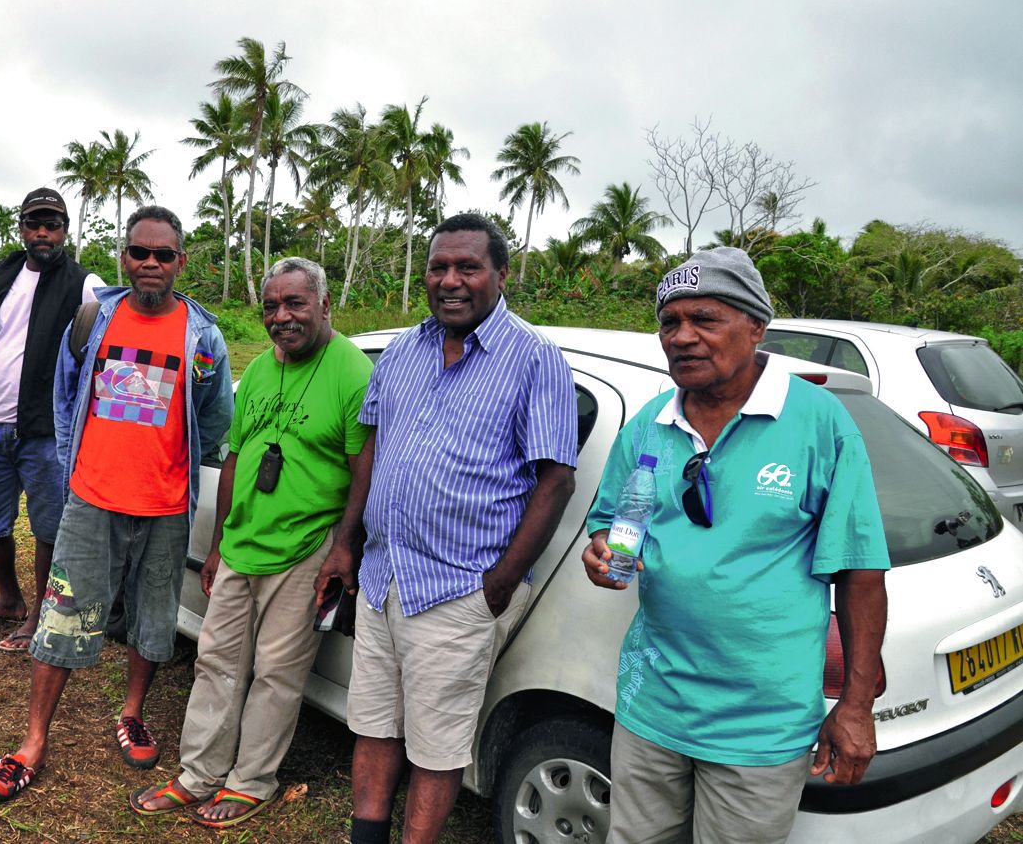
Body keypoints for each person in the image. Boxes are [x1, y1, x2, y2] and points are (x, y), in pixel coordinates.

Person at [581, 247, 889, 844]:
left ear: (756, 326)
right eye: (669, 322)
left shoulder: (819, 423)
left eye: (705, 319)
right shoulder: (650, 422)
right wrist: (601, 549)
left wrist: (856, 706)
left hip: (760, 727)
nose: (682, 337)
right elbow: (611, 520)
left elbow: (860, 573)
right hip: (652, 705)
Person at [315, 212, 580, 844]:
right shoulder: (404, 350)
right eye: (439, 267)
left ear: (501, 274)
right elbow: (372, 449)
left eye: (469, 267)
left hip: (459, 589)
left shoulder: (535, 358)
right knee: (373, 724)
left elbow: (556, 481)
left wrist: (498, 584)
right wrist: (347, 543)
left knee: (437, 746)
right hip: (383, 577)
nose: (451, 280)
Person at [0, 205, 233, 803]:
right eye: (139, 252)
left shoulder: (203, 337)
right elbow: (66, 397)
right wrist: (77, 473)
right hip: (92, 498)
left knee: (152, 617)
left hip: (167, 506)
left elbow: (215, 418)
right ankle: (33, 741)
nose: (150, 263)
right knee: (62, 615)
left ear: (180, 262)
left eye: (163, 254)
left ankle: (132, 713)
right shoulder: (93, 320)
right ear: (124, 257)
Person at [130, 257, 374, 828]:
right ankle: (200, 773)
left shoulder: (354, 372)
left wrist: (344, 547)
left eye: (295, 303)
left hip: (305, 547)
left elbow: (365, 469)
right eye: (271, 306)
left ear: (324, 304)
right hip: (242, 543)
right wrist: (218, 542)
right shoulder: (261, 367)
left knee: (276, 673)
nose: (282, 316)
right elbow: (237, 458)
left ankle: (251, 782)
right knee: (215, 661)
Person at [0, 187, 104, 652]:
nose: (42, 233)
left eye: (51, 225)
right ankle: (9, 598)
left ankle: (39, 612)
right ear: (21, 228)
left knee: (49, 527)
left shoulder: (85, 283)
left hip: (47, 430)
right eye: (34, 224)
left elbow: (99, 353)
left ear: (65, 231)